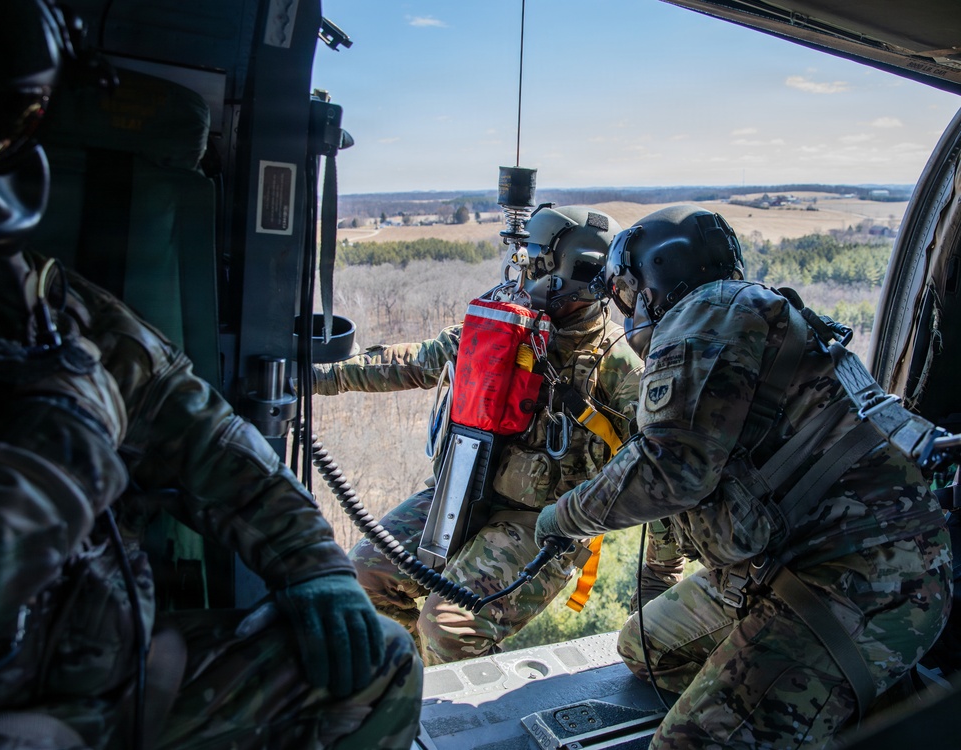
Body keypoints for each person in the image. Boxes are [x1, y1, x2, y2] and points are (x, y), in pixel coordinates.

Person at [0, 1, 422, 748]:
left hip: (96, 662)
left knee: (376, 665)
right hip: (0, 703)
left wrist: (314, 566)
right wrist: (65, 433)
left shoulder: (29, 298)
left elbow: (197, 427)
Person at [534, 203, 952, 749]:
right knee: (647, 647)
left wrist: (559, 518)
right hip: (784, 560)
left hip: (861, 577)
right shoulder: (740, 313)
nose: (626, 310)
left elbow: (669, 472)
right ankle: (801, 702)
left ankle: (847, 703)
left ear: (655, 277)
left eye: (627, 293)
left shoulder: (704, 313)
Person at [312, 204, 644, 664]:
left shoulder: (618, 364)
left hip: (544, 522)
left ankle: (453, 718)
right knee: (365, 577)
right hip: (463, 488)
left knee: (448, 628)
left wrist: (655, 587)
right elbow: (415, 361)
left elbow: (663, 462)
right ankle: (408, 683)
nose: (525, 268)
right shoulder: (504, 323)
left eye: (536, 259)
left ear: (567, 269)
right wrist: (312, 379)